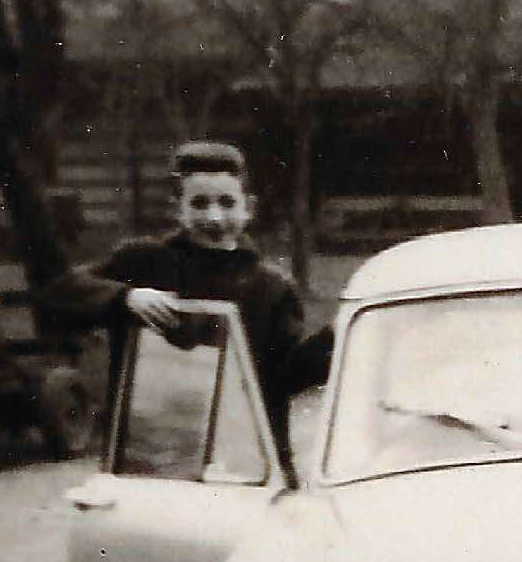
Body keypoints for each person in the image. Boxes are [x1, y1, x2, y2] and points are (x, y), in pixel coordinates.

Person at [46, 142, 332, 462]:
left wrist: (340, 338)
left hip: (245, 461)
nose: (214, 217)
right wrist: (124, 297)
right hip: (151, 458)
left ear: (248, 208)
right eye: (199, 203)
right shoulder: (144, 263)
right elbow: (59, 293)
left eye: (226, 202)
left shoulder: (271, 288)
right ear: (177, 209)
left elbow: (283, 379)